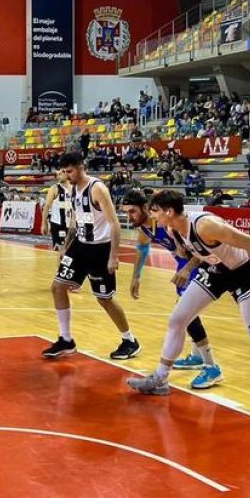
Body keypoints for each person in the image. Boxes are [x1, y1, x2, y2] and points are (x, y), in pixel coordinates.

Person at [127, 190, 250, 419]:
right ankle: (160, 379)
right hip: (217, 271)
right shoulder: (173, 228)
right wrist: (186, 267)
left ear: (169, 211)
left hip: (244, 273)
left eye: (154, 211)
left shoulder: (206, 225)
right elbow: (200, 251)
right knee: (177, 319)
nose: (151, 216)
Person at [42, 152, 140, 361]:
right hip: (80, 244)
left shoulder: (97, 188)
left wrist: (114, 256)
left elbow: (115, 224)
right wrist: (67, 246)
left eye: (70, 171)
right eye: (64, 172)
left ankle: (129, 340)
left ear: (80, 167)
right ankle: (66, 339)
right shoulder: (73, 189)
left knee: (104, 299)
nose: (67, 176)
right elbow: (76, 219)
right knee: (57, 287)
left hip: (100, 249)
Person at [122, 188, 223, 389]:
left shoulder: (169, 224)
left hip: (200, 264)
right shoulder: (145, 228)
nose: (128, 216)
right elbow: (142, 248)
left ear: (145, 208)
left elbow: (201, 249)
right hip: (183, 266)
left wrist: (186, 268)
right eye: (126, 212)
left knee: (184, 316)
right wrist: (136, 277)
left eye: (132, 211)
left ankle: (212, 367)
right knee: (186, 315)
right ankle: (196, 357)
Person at [42, 169, 71, 255]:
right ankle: (60, 267)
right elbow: (46, 206)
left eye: (60, 174)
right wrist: (44, 224)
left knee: (71, 250)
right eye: (57, 174)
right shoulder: (54, 188)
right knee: (60, 250)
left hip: (72, 224)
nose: (58, 176)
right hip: (58, 224)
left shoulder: (74, 188)